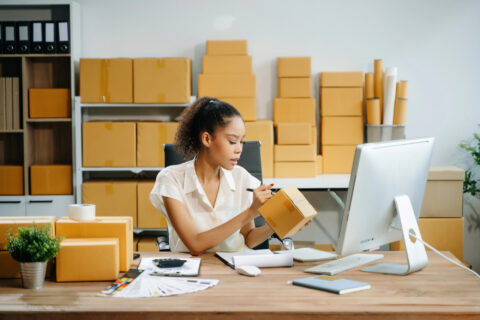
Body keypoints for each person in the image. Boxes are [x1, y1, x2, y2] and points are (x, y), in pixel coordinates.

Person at [150, 97, 275, 255]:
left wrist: (276, 225)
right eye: (232, 141)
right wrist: (250, 212)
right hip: (194, 272)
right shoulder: (171, 179)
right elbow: (195, 244)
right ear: (207, 139)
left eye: (241, 141)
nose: (239, 149)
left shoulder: (242, 178)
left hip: (237, 270)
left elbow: (248, 239)